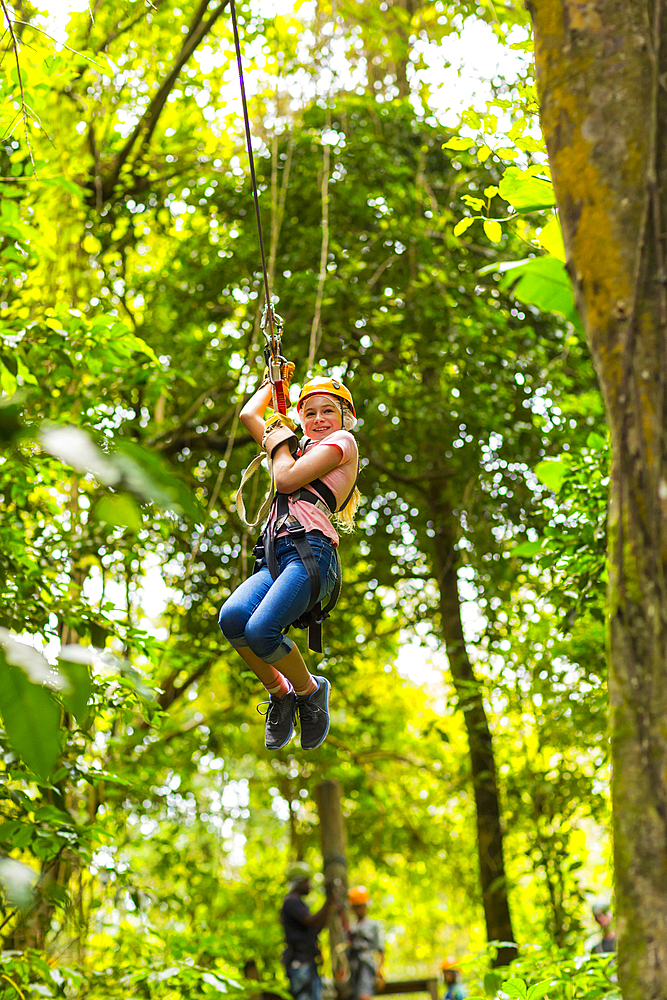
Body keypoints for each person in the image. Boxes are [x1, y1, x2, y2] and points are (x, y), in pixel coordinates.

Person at [218, 372, 359, 751]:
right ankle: (280, 693)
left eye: (328, 410)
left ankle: (310, 691)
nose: (318, 419)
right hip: (275, 558)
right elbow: (250, 415)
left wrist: (279, 442)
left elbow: (284, 480)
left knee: (261, 630)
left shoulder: (342, 442)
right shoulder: (294, 448)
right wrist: (273, 382)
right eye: (309, 413)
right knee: (232, 618)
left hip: (312, 554)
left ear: (345, 417)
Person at [281, 861, 335, 1000]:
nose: (309, 885)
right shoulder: (291, 902)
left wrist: (329, 905)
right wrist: (328, 902)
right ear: (299, 882)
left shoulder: (299, 903)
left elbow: (315, 928)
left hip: (308, 962)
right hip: (300, 963)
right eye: (307, 882)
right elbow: (311, 921)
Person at [346, 886, 385, 1000]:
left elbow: (380, 950)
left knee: (364, 996)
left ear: (366, 906)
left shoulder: (373, 925)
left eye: (361, 906)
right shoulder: (350, 927)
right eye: (356, 907)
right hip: (352, 968)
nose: (358, 910)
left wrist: (380, 972)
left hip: (366, 965)